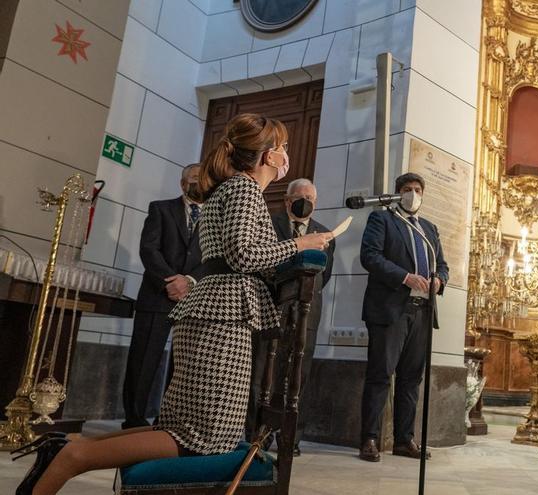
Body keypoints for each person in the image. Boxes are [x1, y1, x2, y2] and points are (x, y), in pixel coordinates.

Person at [15, 113, 332, 495]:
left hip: (214, 311)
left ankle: (68, 449)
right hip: (222, 317)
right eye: (281, 148)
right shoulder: (244, 189)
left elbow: (239, 254)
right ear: (266, 155)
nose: (285, 155)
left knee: (188, 425)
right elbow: (244, 255)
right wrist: (301, 244)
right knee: (202, 434)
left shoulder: (234, 190)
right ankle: (73, 460)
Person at [358, 172, 449, 462]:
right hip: (390, 310)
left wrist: (439, 281)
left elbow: (443, 265)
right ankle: (370, 439)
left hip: (422, 312)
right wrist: (405, 277)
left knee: (411, 379)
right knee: (380, 376)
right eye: (407, 189)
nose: (413, 194)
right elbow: (369, 257)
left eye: (418, 189)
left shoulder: (429, 229)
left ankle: (404, 439)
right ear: (398, 194)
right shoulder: (383, 219)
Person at [246, 178, 335, 455]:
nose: (305, 201)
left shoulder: (324, 233)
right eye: (299, 196)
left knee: (299, 372)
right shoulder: (270, 224)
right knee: (262, 371)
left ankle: (290, 438)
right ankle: (257, 435)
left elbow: (325, 275)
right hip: (272, 306)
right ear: (287, 200)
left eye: (310, 198)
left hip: (307, 310)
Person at [121, 163, 206, 429]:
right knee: (144, 360)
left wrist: (189, 282)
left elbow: (213, 259)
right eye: (194, 179)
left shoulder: (217, 220)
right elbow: (149, 249)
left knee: (182, 366)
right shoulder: (160, 209)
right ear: (183, 184)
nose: (199, 183)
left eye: (203, 180)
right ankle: (134, 419)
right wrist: (171, 280)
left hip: (193, 300)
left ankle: (168, 420)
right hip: (157, 295)